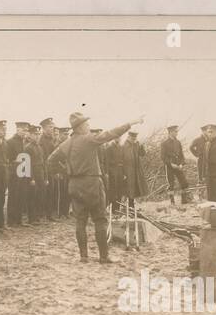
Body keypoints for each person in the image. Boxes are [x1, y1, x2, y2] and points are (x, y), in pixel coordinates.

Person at [46, 110, 145, 264]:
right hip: (92, 184)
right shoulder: (88, 139)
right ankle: (103, 257)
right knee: (100, 220)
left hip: (74, 185)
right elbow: (111, 134)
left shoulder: (66, 143)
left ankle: (83, 256)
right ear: (80, 127)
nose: (89, 125)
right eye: (87, 123)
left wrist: (66, 172)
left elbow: (50, 160)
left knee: (80, 221)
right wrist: (131, 123)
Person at [160, 124, 190, 204]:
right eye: (175, 131)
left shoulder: (178, 142)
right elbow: (163, 157)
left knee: (184, 183)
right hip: (170, 167)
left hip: (178, 166)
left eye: (177, 131)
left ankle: (184, 200)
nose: (177, 133)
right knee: (171, 184)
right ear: (170, 132)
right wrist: (170, 164)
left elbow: (181, 155)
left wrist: (181, 164)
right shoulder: (164, 144)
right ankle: (172, 202)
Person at [39, 118, 61, 220]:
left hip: (51, 170)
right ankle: (41, 213)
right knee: (42, 192)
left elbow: (55, 157)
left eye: (52, 127)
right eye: (50, 127)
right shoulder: (41, 140)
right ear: (44, 128)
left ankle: (49, 214)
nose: (52, 129)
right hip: (43, 169)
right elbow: (41, 157)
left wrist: (56, 171)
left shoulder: (52, 139)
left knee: (51, 192)